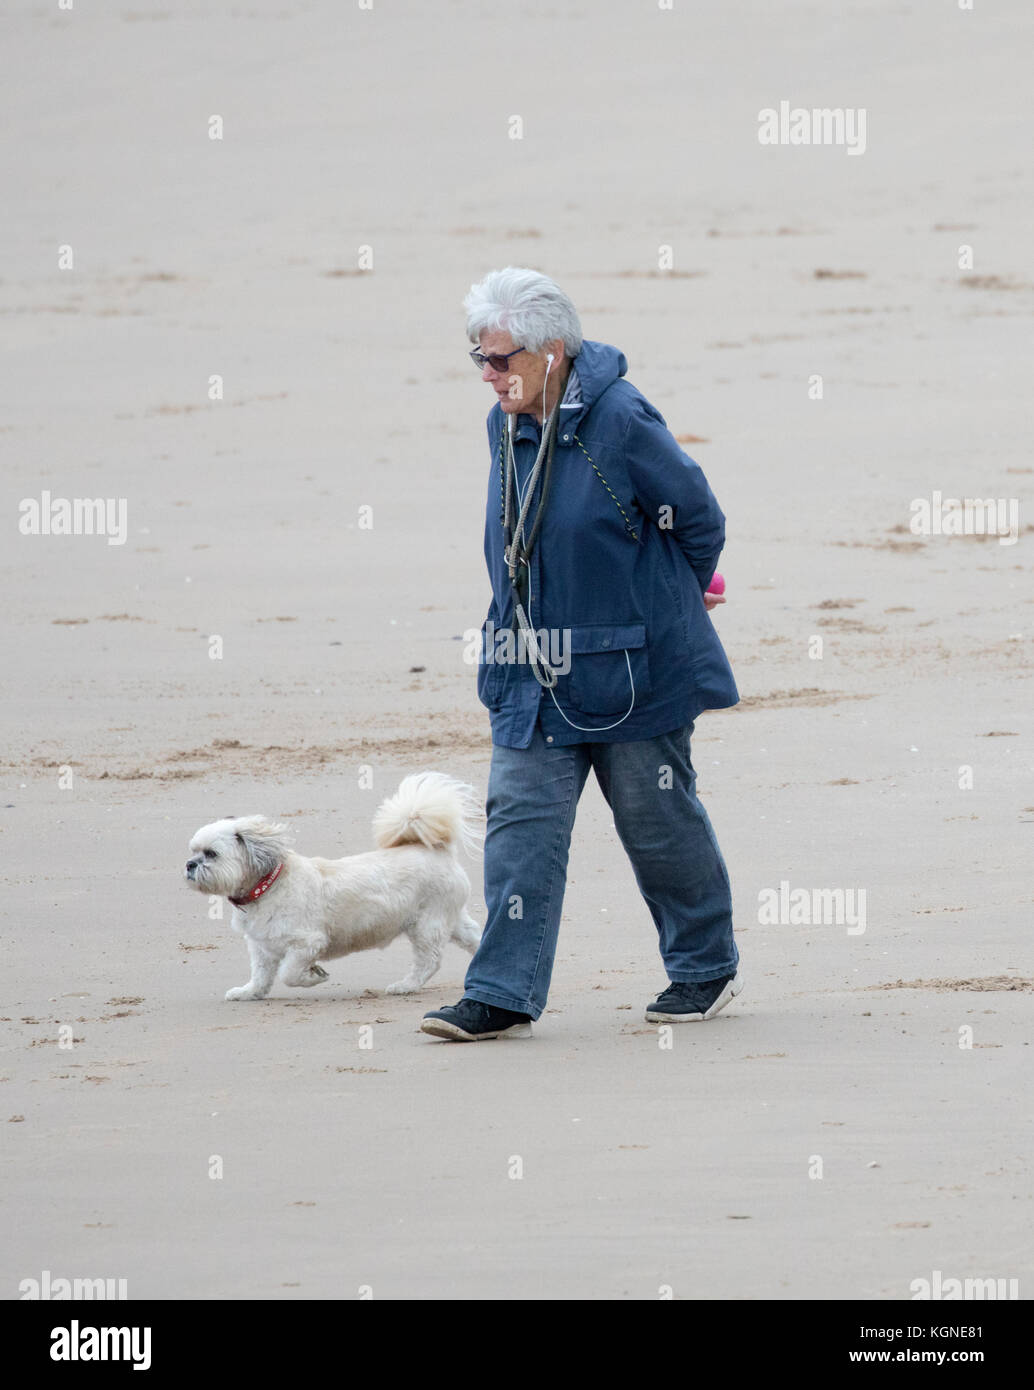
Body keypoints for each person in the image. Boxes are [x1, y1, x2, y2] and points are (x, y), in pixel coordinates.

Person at [421, 267, 741, 1042]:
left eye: (502, 359)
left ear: (552, 350)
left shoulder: (621, 418)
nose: (490, 376)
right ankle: (501, 991)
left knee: (658, 825)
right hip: (528, 664)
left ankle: (704, 968)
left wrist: (670, 595)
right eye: (479, 359)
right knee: (520, 829)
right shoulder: (505, 422)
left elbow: (697, 516)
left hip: (632, 669)